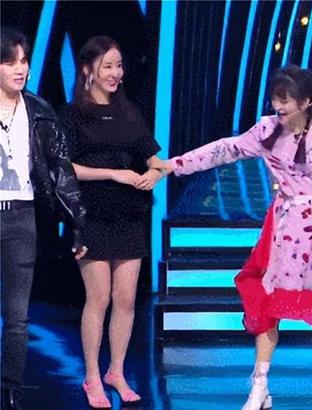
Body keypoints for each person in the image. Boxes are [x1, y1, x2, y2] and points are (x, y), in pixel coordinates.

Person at [164, 65, 312, 410]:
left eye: (286, 100)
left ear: (307, 101)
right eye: (275, 99)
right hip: (283, 227)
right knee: (267, 303)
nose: (278, 107)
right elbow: (225, 149)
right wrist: (174, 165)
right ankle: (260, 387)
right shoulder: (266, 129)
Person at [59, 35, 167, 408]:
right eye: (108, 66)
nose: (115, 73)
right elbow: (66, 167)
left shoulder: (128, 112)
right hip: (92, 216)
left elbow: (155, 159)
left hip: (129, 216)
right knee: (99, 298)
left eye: (119, 66)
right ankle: (92, 376)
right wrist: (113, 174)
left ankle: (116, 372)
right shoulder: (72, 115)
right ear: (88, 69)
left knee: (125, 299)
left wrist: (154, 173)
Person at [0, 28, 87, 410]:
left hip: (21, 218)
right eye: (10, 62)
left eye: (24, 61)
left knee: (17, 314)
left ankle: (10, 390)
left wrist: (78, 222)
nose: (20, 69)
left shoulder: (39, 112)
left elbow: (61, 171)